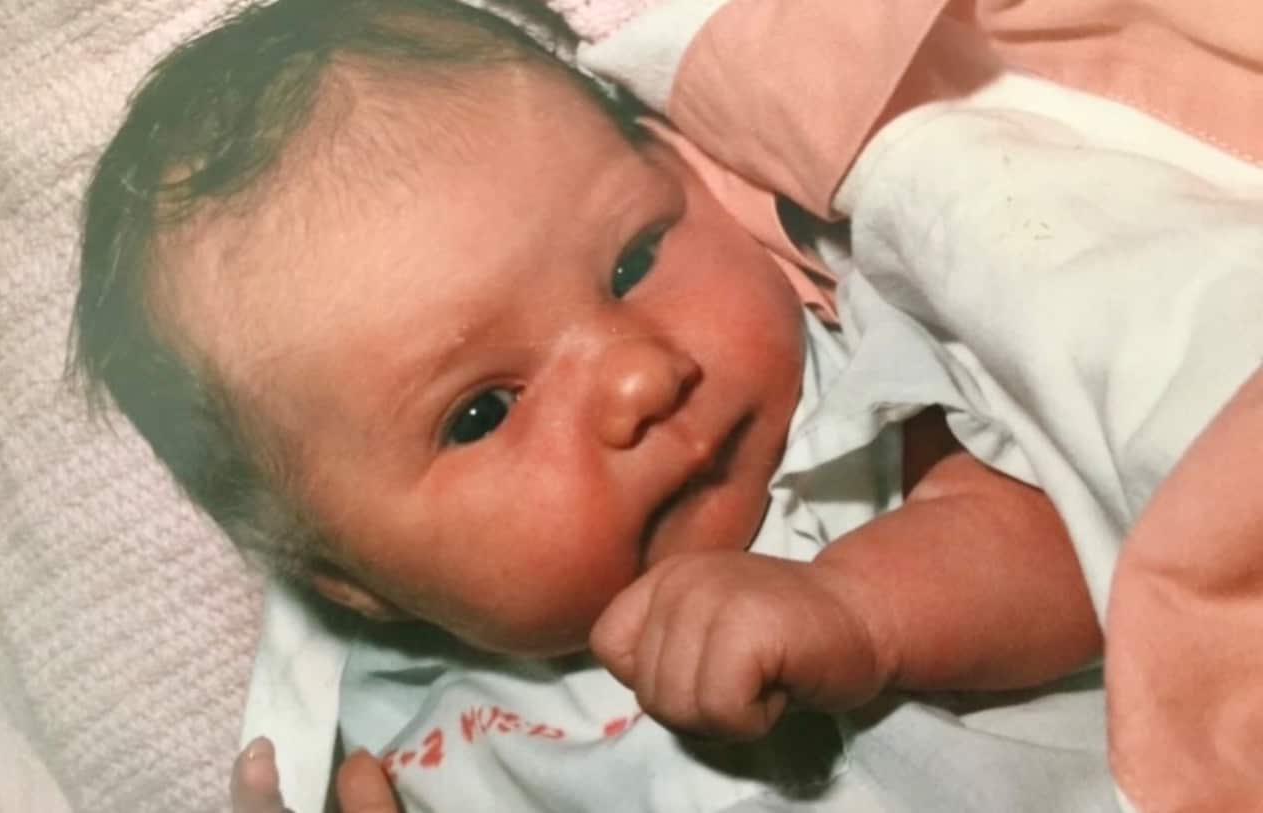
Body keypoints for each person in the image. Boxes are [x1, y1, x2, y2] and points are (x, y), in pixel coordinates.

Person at [76, 0, 1115, 810]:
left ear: (683, 174)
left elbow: (1082, 547)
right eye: (482, 412)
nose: (636, 376)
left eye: (631, 259)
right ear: (348, 579)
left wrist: (859, 611)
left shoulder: (858, 395)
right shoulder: (392, 732)